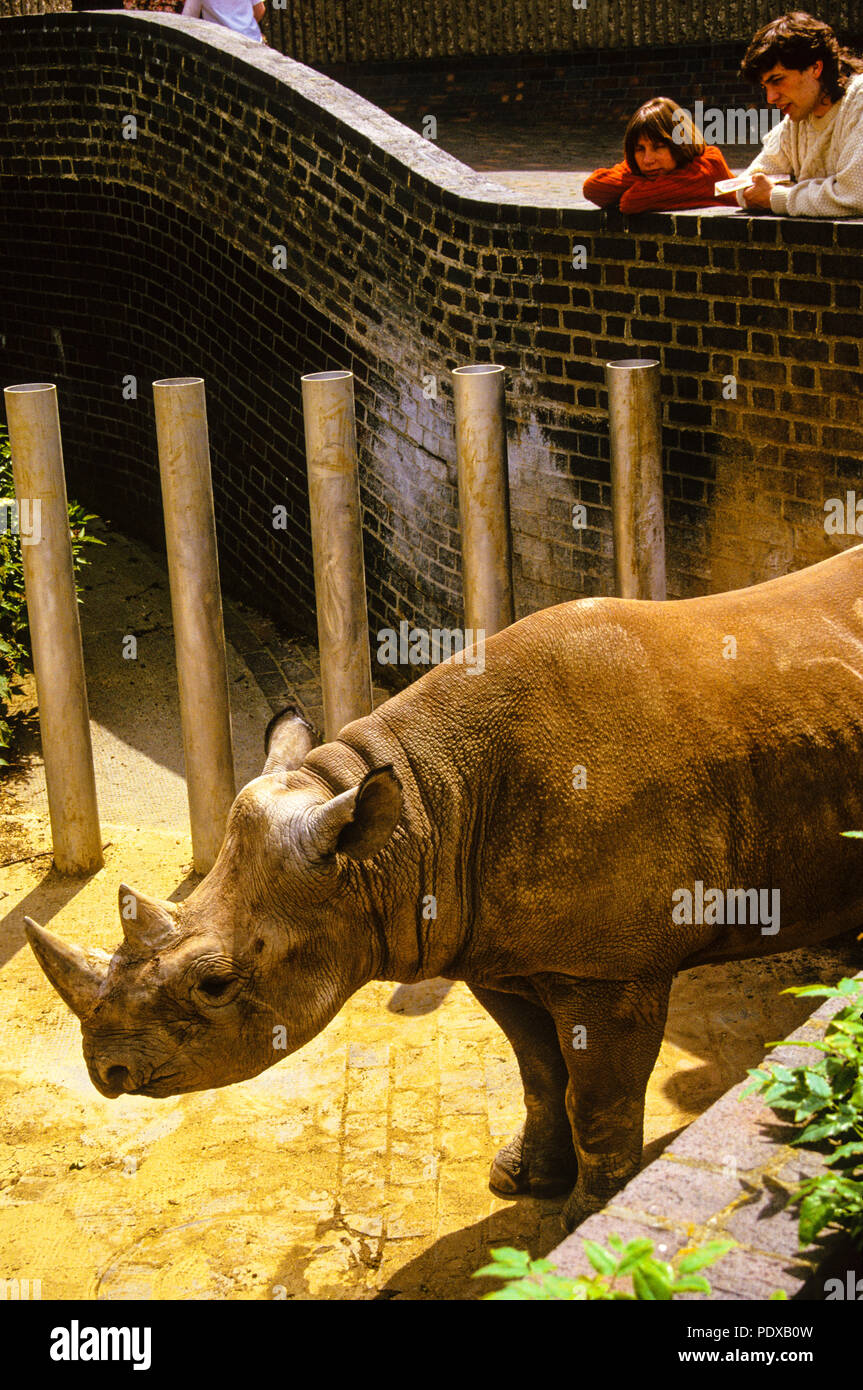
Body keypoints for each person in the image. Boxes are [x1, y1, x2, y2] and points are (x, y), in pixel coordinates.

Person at [738, 12, 863, 215]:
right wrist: (765, 193)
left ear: (815, 67)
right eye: (765, 85)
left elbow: (855, 195)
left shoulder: (858, 103)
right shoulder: (795, 123)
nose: (770, 97)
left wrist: (777, 197)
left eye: (777, 80)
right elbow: (746, 187)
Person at [583, 98, 738, 213]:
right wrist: (648, 181)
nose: (647, 160)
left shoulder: (708, 166)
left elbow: (633, 200)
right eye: (640, 149)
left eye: (659, 147)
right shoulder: (640, 165)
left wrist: (640, 185)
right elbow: (593, 187)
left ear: (679, 145)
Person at [181, 0, 266, 44]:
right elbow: (260, 10)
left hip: (222, 44)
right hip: (251, 40)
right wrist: (243, 26)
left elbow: (188, 20)